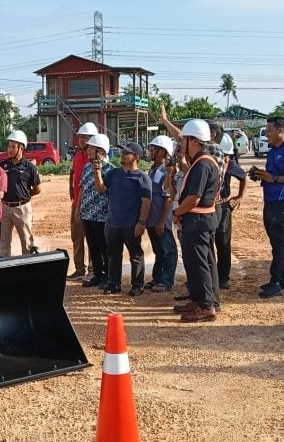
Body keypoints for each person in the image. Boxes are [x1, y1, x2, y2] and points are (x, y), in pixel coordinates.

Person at [172, 119, 222, 322]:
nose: (181, 143)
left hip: (198, 220)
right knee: (198, 262)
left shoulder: (202, 165)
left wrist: (177, 213)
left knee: (200, 263)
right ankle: (200, 298)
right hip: (201, 219)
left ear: (193, 141)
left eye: (184, 139)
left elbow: (193, 198)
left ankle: (206, 305)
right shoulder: (202, 162)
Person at [251, 116, 284, 298]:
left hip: (282, 202)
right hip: (270, 200)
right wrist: (260, 175)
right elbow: (272, 174)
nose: (267, 134)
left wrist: (275, 179)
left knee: (279, 242)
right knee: (276, 242)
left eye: (269, 131)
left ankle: (277, 281)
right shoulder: (273, 151)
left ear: (280, 130)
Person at [93, 142, 151, 296]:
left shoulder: (142, 178)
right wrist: (97, 172)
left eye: (127, 153)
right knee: (113, 255)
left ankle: (138, 285)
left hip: (131, 224)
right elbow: (100, 189)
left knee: (136, 255)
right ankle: (113, 284)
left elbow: (146, 202)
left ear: (137, 157)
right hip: (112, 223)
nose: (123, 155)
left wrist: (141, 222)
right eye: (123, 152)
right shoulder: (113, 173)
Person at [79, 133, 115, 288]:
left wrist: (98, 171)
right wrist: (78, 209)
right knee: (92, 246)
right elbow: (83, 189)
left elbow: (104, 191)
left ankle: (108, 276)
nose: (88, 150)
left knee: (104, 247)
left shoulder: (110, 170)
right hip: (87, 213)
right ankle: (97, 275)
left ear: (101, 151)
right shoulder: (86, 167)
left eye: (91, 148)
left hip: (102, 215)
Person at [0, 130, 41, 256]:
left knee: (27, 243)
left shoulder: (30, 167)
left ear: (21, 148)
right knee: (3, 243)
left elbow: (37, 189)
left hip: (22, 208)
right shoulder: (3, 165)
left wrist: (23, 196)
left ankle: (27, 269)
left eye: (13, 147)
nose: (9, 149)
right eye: (9, 146)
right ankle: (4, 269)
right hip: (5, 208)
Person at [144, 136, 178, 292]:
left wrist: (162, 221)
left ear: (162, 151)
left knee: (168, 250)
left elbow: (168, 198)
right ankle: (157, 278)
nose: (150, 151)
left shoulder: (166, 172)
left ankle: (166, 281)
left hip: (161, 219)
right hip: (152, 219)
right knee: (158, 250)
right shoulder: (153, 170)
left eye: (153, 148)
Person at [215, 134, 247, 289]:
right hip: (210, 207)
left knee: (223, 242)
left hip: (223, 206)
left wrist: (240, 196)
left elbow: (243, 176)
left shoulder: (229, 164)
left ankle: (223, 277)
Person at [68, 122, 98, 280]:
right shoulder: (78, 155)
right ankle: (80, 269)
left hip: (91, 205)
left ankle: (94, 269)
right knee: (77, 237)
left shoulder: (94, 158)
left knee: (92, 238)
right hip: (77, 203)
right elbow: (73, 175)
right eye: (80, 137)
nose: (81, 140)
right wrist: (72, 196)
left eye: (85, 137)